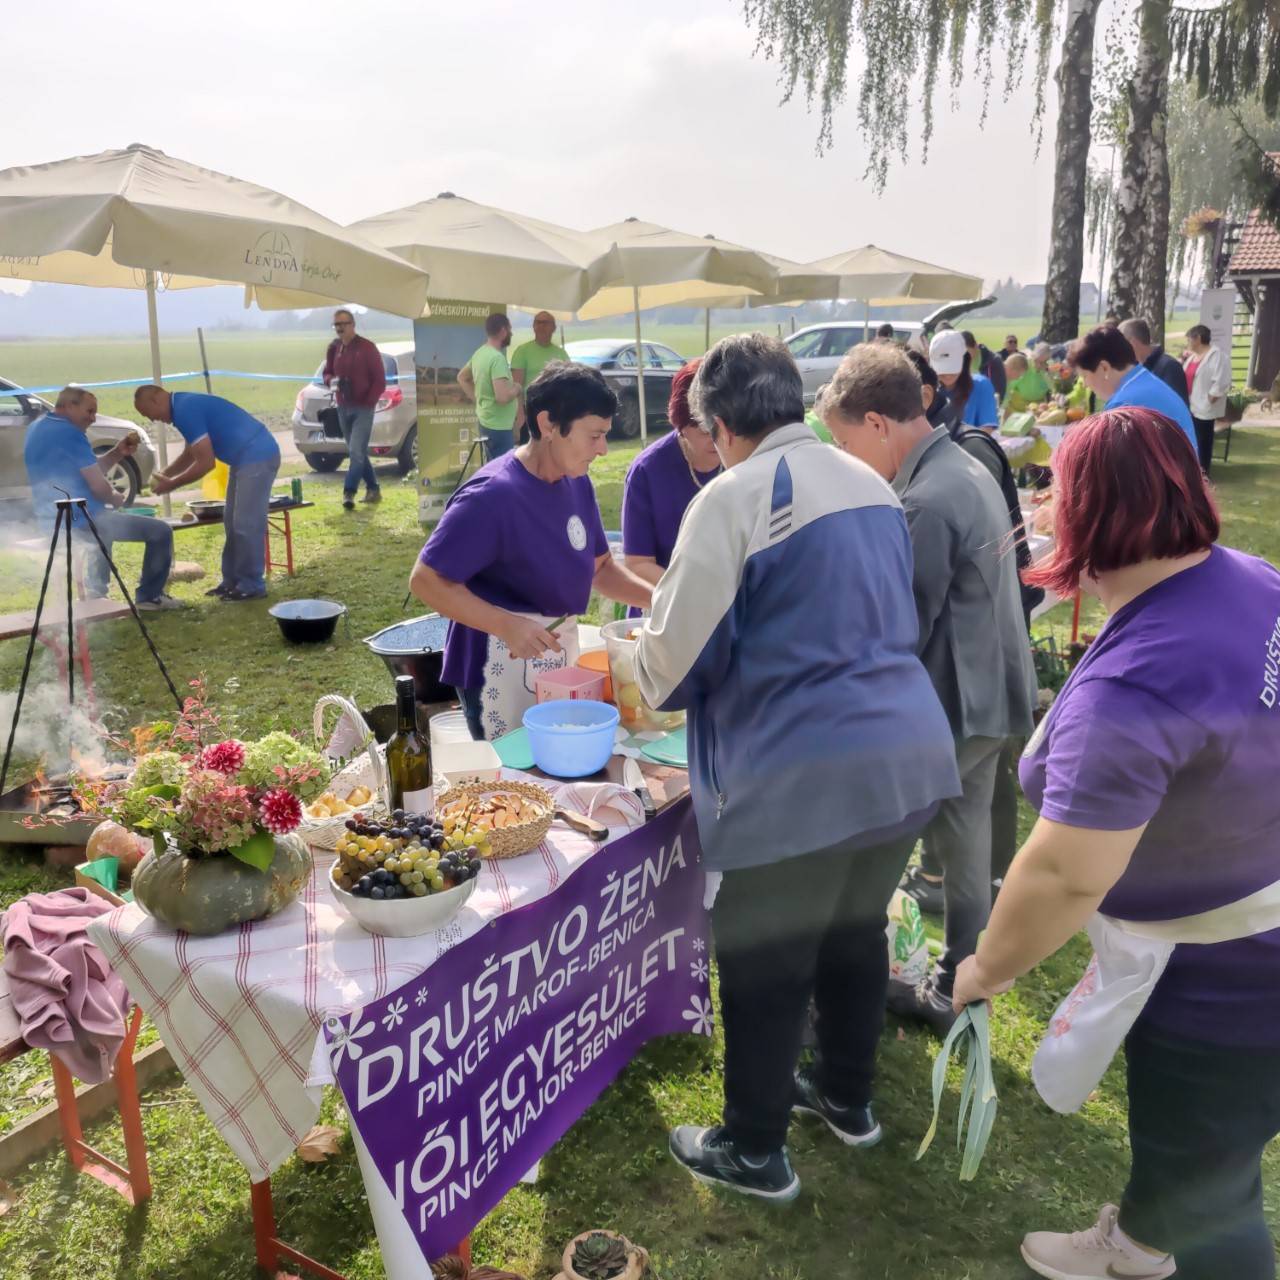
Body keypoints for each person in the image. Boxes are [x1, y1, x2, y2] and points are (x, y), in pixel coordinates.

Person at [954, 407, 1280, 1280]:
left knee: (1216, 1194)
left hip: (1233, 980)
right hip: (1248, 923)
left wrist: (988, 968)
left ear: (1086, 515)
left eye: (1056, 494)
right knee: (1207, 1151)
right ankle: (1138, 1242)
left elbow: (1066, 873)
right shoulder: (1252, 578)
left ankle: (1154, 1248)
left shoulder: (1137, 687)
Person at [633, 334, 959, 1202]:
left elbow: (670, 665)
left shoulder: (733, 497)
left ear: (719, 425)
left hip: (804, 772)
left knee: (764, 957)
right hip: (905, 757)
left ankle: (753, 1148)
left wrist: (638, 656)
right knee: (854, 932)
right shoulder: (870, 481)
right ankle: (846, 1096)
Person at [820, 343, 1035, 1033]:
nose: (847, 459)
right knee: (966, 848)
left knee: (873, 848)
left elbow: (898, 629)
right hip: (991, 693)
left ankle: (845, 984)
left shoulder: (927, 501)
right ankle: (957, 988)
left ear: (877, 423)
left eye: (845, 443)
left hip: (953, 706)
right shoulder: (964, 464)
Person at [410, 363, 652, 741]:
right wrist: (507, 626)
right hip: (496, 665)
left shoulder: (577, 483)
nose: (603, 449)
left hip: (555, 656)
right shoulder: (492, 495)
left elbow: (601, 568)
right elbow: (426, 580)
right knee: (513, 771)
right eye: (594, 436)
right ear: (548, 424)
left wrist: (659, 599)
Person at [23, 387, 180, 611]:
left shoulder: (38, 427)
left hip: (53, 518)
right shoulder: (70, 433)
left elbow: (86, 469)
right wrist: (115, 498)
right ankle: (149, 597)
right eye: (89, 411)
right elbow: (97, 486)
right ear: (69, 406)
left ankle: (96, 596)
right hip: (80, 519)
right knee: (160, 531)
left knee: (103, 526)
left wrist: (117, 453)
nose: (93, 418)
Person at [136, 386, 280, 601]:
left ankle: (252, 585)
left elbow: (206, 462)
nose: (152, 419)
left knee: (245, 524)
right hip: (242, 459)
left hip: (258, 455)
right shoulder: (181, 406)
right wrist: (166, 474)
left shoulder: (185, 409)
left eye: (149, 413)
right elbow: (190, 453)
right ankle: (232, 582)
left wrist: (173, 484)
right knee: (232, 523)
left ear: (156, 399)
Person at [621, 359, 722, 608]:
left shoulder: (743, 460)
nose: (716, 439)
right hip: (665, 602)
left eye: (722, 427)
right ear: (680, 426)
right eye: (704, 430)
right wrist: (694, 595)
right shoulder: (647, 470)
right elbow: (638, 563)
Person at [1068, 326, 1196, 449]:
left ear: (1104, 368)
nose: (1085, 384)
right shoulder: (1144, 380)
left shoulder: (1123, 405)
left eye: (1084, 376)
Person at [322, 308, 386, 510]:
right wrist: (332, 381)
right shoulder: (334, 348)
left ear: (353, 325)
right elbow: (327, 372)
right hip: (342, 407)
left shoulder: (367, 348)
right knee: (357, 452)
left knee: (356, 452)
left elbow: (380, 380)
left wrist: (369, 401)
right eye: (336, 324)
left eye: (344, 324)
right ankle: (373, 489)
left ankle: (349, 492)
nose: (340, 328)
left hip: (363, 408)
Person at [457, 313, 518, 459]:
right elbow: (502, 397)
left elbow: (462, 377)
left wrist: (478, 399)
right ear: (503, 331)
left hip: (486, 421)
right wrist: (517, 389)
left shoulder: (479, 353)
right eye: (510, 329)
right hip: (499, 427)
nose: (511, 333)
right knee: (502, 468)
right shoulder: (497, 358)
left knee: (492, 465)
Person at [510, 311, 569, 438]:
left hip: (554, 411)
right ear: (533, 326)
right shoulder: (522, 351)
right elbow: (516, 386)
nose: (541, 326)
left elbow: (567, 386)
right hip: (530, 411)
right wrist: (520, 414)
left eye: (545, 323)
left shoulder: (561, 354)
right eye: (538, 322)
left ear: (553, 327)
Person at [929, 330, 999, 431]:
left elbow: (986, 428)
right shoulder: (926, 390)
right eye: (943, 369)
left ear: (965, 360)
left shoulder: (981, 385)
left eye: (953, 367)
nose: (948, 375)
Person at [1184, 323, 1230, 475]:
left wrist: (1211, 398)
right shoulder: (1192, 357)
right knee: (1191, 440)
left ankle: (1203, 474)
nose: (1188, 342)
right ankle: (1192, 471)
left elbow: (1222, 381)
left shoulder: (1217, 356)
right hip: (1190, 405)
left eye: (1189, 339)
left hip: (1205, 408)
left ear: (1198, 338)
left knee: (1203, 442)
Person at [1119, 317, 1190, 408]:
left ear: (1133, 343)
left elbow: (1178, 408)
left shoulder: (1169, 367)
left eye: (1121, 344)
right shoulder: (1134, 368)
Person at [962, 330, 1007, 400]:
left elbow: (999, 393)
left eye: (967, 353)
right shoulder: (957, 360)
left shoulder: (994, 361)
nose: (964, 357)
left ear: (975, 345)